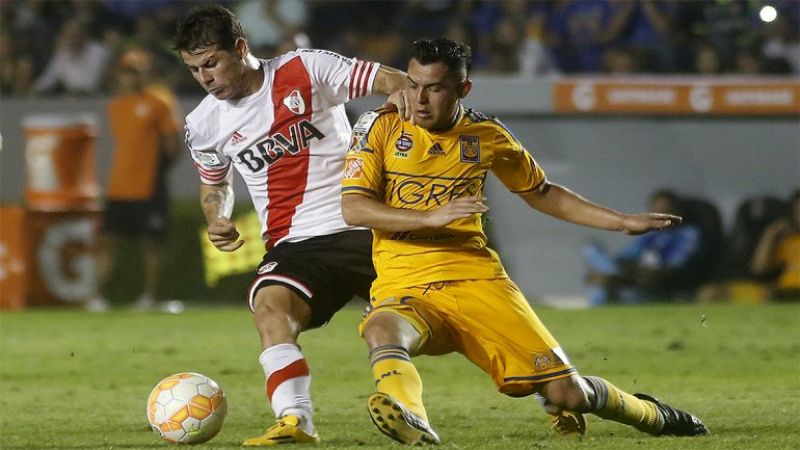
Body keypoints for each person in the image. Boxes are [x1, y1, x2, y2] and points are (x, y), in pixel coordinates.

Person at [341, 37, 708, 445]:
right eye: (413, 84)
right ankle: (409, 414)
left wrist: (620, 222)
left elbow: (542, 192)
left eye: (435, 88)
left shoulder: (487, 134)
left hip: (477, 281)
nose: (420, 99)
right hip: (405, 281)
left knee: (570, 393)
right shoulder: (379, 125)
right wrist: (428, 216)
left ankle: (652, 414)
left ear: (463, 90)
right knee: (382, 328)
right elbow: (355, 208)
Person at [174, 4, 407, 446]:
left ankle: (553, 391)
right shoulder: (202, 124)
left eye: (211, 63)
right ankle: (295, 420)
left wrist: (393, 124)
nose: (204, 77)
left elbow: (394, 82)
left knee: (442, 317)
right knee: (269, 308)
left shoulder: (308, 68)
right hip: (296, 245)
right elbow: (214, 183)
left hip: (365, 225)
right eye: (193, 69)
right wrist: (216, 217)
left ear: (240, 49)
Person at [86, 48, 182, 312]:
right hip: (120, 186)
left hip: (148, 185)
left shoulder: (160, 101)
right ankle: (96, 296)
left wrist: (157, 172)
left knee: (153, 245)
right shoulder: (116, 106)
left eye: (136, 72)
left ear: (146, 74)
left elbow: (173, 145)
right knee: (108, 241)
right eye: (128, 72)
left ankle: (152, 297)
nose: (131, 78)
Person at [583, 189, 703, 305]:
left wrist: (622, 279)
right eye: (658, 210)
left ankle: (611, 276)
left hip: (659, 290)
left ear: (678, 212)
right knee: (592, 252)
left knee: (609, 292)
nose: (662, 215)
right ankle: (610, 276)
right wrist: (610, 275)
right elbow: (624, 258)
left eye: (667, 210)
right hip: (633, 279)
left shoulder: (688, 234)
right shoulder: (651, 234)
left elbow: (670, 271)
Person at [751, 190, 800, 301]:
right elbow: (759, 268)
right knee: (766, 292)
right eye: (798, 212)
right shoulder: (789, 242)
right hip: (787, 291)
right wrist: (770, 235)